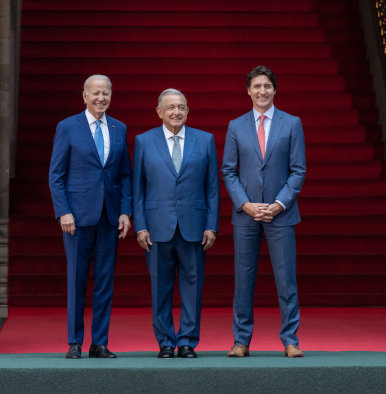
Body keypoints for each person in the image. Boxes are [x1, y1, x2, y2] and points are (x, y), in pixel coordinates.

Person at [221, 66, 306, 358]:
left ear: (274, 89)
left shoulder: (292, 123)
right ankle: (241, 341)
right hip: (246, 215)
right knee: (243, 280)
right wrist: (245, 204)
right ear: (248, 90)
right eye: (257, 86)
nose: (262, 91)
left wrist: (279, 204)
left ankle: (290, 340)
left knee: (286, 279)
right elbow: (228, 172)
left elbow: (298, 171)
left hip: (280, 214)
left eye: (267, 86)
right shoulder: (236, 125)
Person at [48, 74, 132, 359]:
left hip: (109, 217)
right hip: (77, 219)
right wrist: (64, 212)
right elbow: (56, 176)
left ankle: (100, 343)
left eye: (105, 93)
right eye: (95, 93)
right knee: (77, 281)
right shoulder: (68, 127)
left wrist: (124, 211)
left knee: (105, 282)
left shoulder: (119, 129)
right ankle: (75, 341)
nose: (101, 98)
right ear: (84, 96)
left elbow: (124, 175)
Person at [133, 89, 219, 359]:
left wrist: (211, 225)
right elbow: (138, 189)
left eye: (181, 107)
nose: (176, 112)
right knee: (160, 286)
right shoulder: (144, 141)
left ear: (188, 111)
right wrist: (140, 226)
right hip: (157, 226)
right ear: (159, 112)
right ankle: (166, 342)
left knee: (193, 286)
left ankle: (187, 341)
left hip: (194, 226)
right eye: (170, 107)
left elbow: (212, 189)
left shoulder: (205, 140)